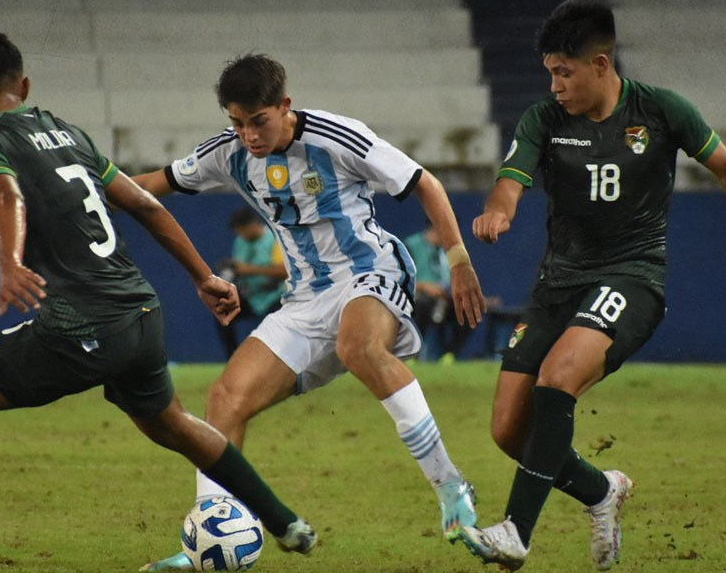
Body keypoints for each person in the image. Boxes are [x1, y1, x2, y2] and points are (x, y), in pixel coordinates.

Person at [0, 33, 317, 573]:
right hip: (142, 313)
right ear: (23, 86)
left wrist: (7, 263)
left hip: (81, 324)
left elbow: (5, 192)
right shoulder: (66, 132)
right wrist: (203, 276)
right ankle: (285, 523)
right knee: (174, 424)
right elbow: (144, 204)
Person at [133, 53, 488, 571]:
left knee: (359, 346)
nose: (249, 135)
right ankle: (209, 542)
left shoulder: (337, 137)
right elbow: (149, 185)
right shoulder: (228, 153)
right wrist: (84, 184)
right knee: (225, 398)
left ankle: (450, 484)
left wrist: (459, 262)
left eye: (258, 120)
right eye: (237, 122)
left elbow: (425, 183)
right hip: (304, 300)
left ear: (285, 106)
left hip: (371, 274)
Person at [461, 0, 726, 571]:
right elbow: (511, 179)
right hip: (559, 285)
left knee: (557, 380)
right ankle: (602, 491)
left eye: (565, 72)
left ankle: (515, 533)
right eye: (550, 72)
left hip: (633, 278)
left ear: (601, 65)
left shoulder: (661, 110)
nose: (555, 85)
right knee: (510, 430)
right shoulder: (544, 121)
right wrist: (499, 212)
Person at [215, 206, 286, 358]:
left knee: (263, 337)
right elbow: (238, 269)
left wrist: (249, 270)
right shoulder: (240, 242)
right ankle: (232, 358)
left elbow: (284, 271)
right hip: (252, 295)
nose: (240, 234)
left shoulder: (274, 238)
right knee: (223, 311)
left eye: (242, 229)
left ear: (252, 224)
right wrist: (229, 272)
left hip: (275, 296)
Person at [403, 222, 474, 361]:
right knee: (424, 303)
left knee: (468, 307)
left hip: (444, 297)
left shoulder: (450, 250)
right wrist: (424, 286)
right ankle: (412, 355)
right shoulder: (411, 245)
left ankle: (450, 356)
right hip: (418, 296)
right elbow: (400, 279)